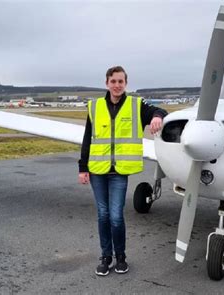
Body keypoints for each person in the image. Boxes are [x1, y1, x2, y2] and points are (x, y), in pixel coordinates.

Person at [78, 66, 167, 276]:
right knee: (103, 215)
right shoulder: (95, 106)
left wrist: (157, 117)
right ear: (107, 83)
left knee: (116, 216)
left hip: (119, 171)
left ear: (125, 83)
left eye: (121, 81)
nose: (117, 85)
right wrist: (83, 167)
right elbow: (87, 139)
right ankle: (105, 256)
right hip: (98, 169)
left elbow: (160, 111)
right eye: (113, 81)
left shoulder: (136, 105)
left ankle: (121, 256)